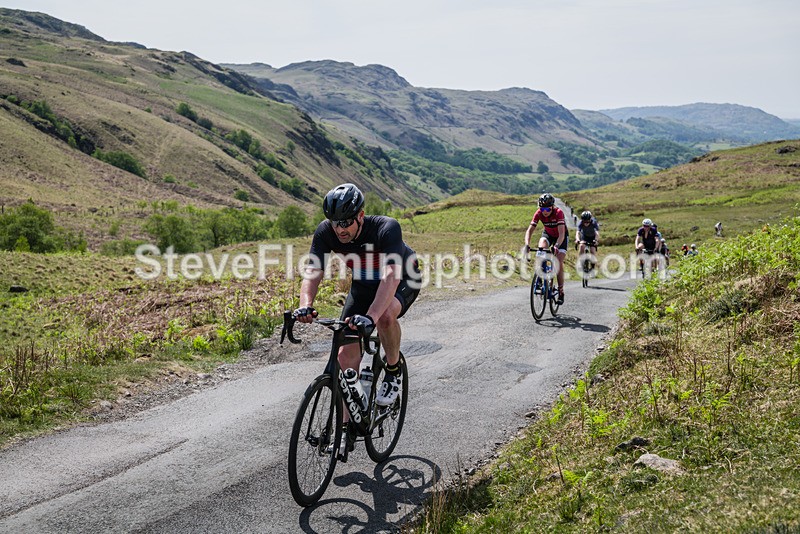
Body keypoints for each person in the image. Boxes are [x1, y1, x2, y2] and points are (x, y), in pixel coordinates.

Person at [293, 183, 421, 452]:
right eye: (335, 222)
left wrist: (371, 317)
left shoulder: (386, 228)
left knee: (385, 316)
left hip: (402, 278)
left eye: (347, 222)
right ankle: (346, 428)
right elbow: (313, 270)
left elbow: (391, 277)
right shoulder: (326, 232)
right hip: (363, 285)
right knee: (344, 357)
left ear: (361, 216)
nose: (340, 229)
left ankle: (393, 372)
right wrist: (306, 304)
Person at [524, 193, 568, 304]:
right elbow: (529, 231)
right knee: (540, 250)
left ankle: (561, 291)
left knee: (558, 262)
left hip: (560, 237)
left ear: (552, 207)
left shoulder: (558, 213)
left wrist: (557, 246)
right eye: (542, 208)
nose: (545, 211)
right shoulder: (539, 213)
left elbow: (562, 234)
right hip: (548, 234)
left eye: (548, 209)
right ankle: (540, 276)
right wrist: (527, 245)